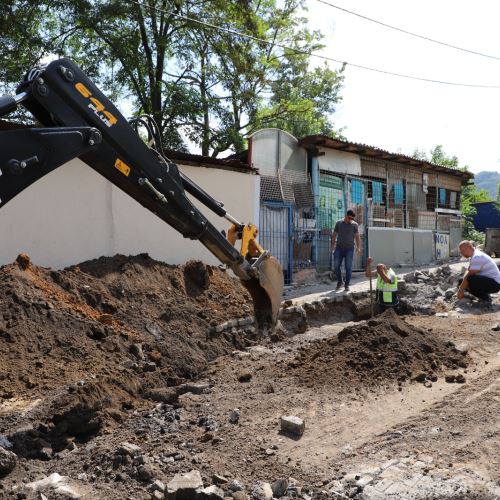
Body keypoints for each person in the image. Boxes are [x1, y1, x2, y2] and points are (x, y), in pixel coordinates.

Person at [331, 209, 361, 292]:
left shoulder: (354, 225)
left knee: (348, 267)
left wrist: (358, 247)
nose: (351, 220)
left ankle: (347, 284)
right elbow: (334, 235)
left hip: (349, 249)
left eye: (352, 219)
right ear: (346, 216)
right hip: (339, 248)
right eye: (349, 218)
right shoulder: (339, 223)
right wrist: (332, 246)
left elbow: (357, 237)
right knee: (336, 266)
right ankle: (340, 281)